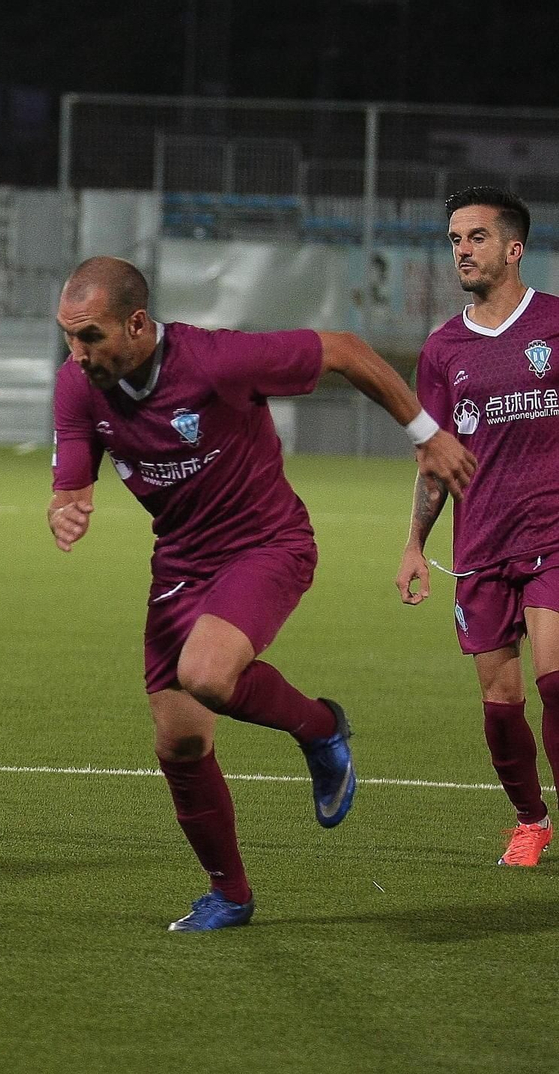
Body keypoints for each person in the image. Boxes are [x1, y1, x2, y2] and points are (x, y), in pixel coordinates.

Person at [50, 256, 475, 931]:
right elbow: (73, 472)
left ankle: (321, 728)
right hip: (181, 565)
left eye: (91, 336)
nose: (77, 353)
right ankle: (231, 894)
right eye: (69, 336)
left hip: (266, 545)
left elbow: (343, 349)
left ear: (136, 323)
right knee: (179, 745)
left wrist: (424, 435)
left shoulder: (217, 362)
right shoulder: (79, 387)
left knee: (207, 675)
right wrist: (66, 505)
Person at [397, 186, 559, 867]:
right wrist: (413, 544)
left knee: (556, 682)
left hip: (553, 537)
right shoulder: (442, 351)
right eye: (455, 240)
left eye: (476, 237)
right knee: (501, 703)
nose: (462, 250)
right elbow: (434, 463)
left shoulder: (554, 323)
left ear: (514, 248)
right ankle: (530, 820)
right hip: (481, 547)